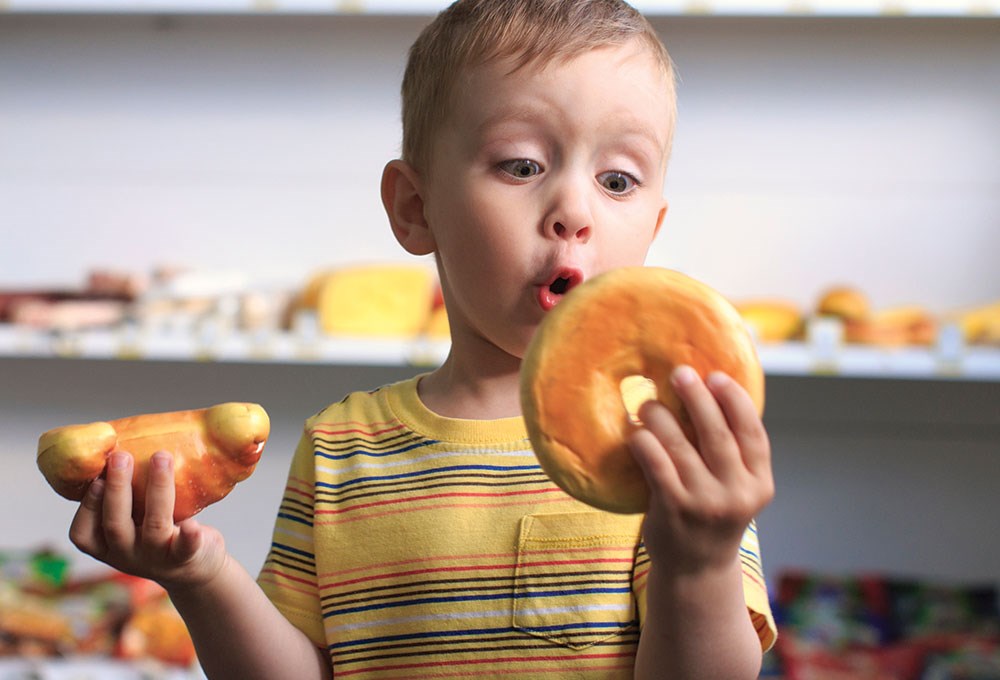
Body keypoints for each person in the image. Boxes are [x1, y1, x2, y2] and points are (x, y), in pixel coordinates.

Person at [67, 1, 777, 678]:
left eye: (617, 179)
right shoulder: (341, 446)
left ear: (652, 230)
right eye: (522, 165)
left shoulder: (666, 454)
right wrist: (200, 576)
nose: (573, 210)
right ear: (415, 208)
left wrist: (701, 564)